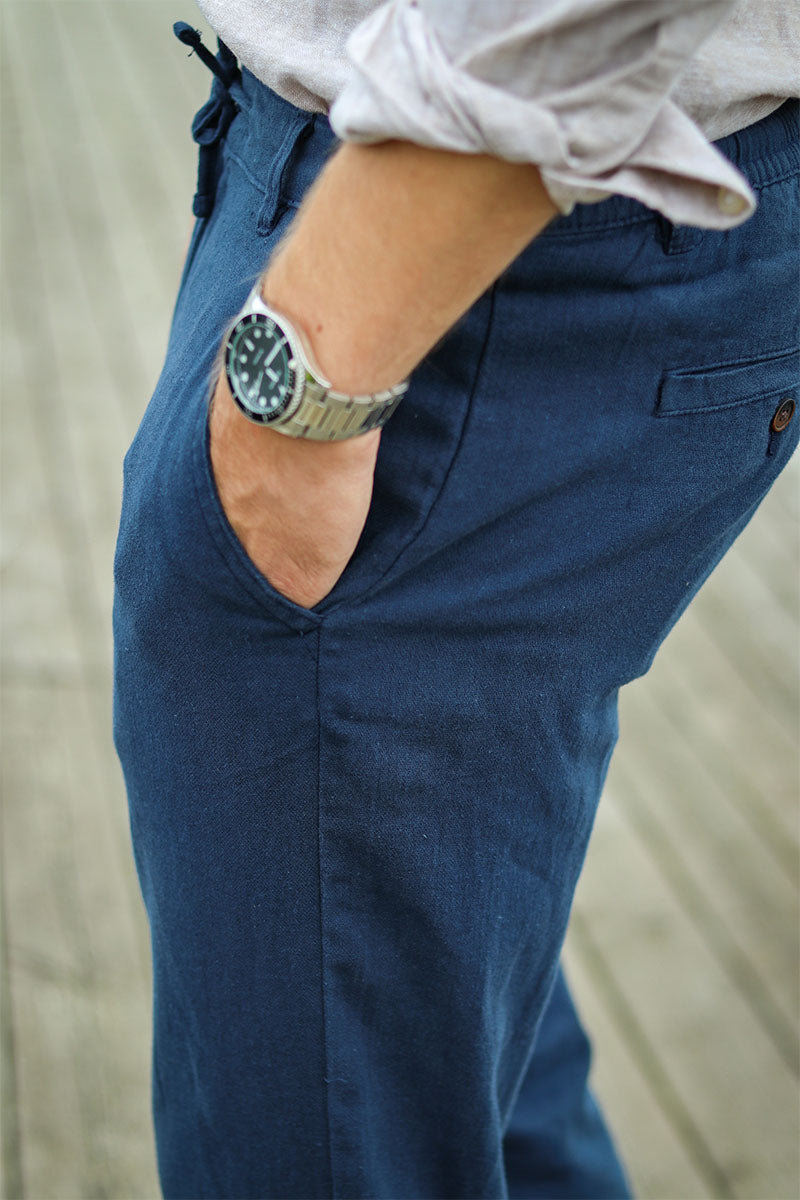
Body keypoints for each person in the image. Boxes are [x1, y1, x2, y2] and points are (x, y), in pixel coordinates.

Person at [112, 1, 799, 1196]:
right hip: (465, 193)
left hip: (471, 242)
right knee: (418, 980)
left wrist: (307, 373)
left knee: (338, 1082)